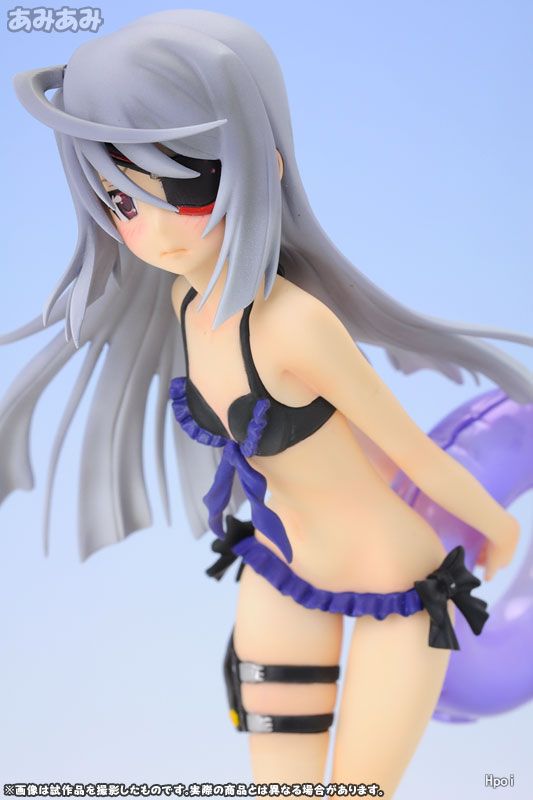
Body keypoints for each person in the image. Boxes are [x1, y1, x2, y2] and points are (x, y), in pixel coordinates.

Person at [2, 10, 531, 795]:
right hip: (282, 565)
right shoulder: (185, 302)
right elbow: (347, 446)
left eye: (182, 186)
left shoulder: (296, 325)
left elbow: (409, 452)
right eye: (121, 201)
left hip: (397, 584)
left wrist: (499, 529)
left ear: (263, 165)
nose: (151, 230)